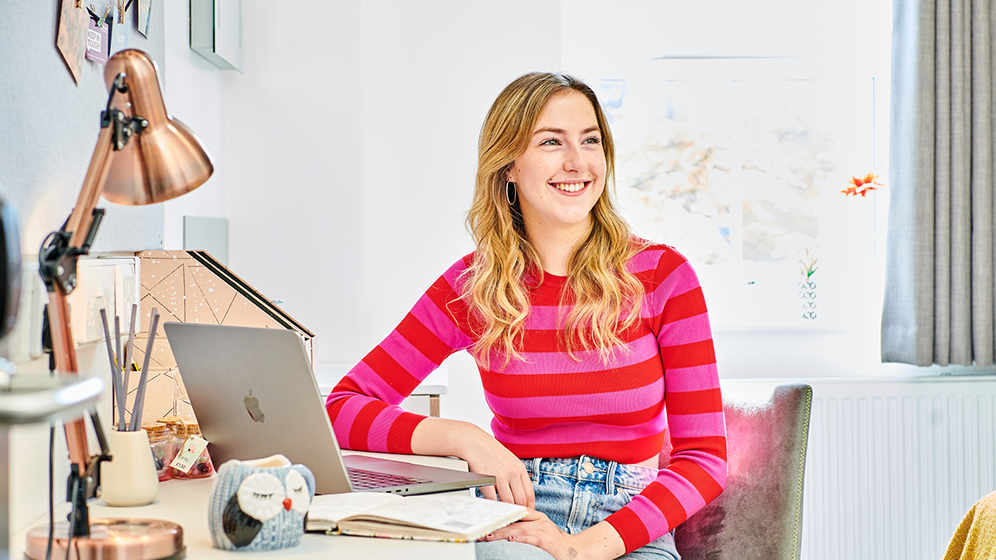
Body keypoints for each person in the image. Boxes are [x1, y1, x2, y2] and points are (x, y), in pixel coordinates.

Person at [326, 72, 727, 560]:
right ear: (509, 165)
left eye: (590, 140)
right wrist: (462, 437)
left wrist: (581, 549)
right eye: (551, 141)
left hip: (629, 526)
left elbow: (704, 460)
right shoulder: (471, 287)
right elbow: (342, 406)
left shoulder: (663, 276)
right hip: (514, 516)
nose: (577, 162)